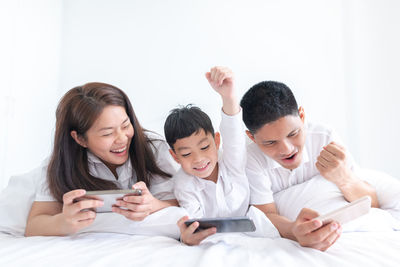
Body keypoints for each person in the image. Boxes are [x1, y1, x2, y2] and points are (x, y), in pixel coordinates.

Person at [240, 80, 379, 251]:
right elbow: (266, 215)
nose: (287, 149)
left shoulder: (324, 137)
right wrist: (293, 230)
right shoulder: (251, 158)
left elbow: (373, 202)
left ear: (302, 116)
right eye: (270, 142)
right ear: (252, 138)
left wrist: (343, 177)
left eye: (293, 133)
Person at [25, 82, 178, 236]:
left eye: (125, 126)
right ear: (79, 138)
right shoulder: (62, 164)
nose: (122, 139)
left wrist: (152, 205)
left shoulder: (154, 148)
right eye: (107, 133)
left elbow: (181, 205)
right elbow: (33, 226)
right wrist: (64, 222)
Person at [164, 66, 249, 245]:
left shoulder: (230, 161)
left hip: (251, 231)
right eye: (186, 153)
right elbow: (195, 223)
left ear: (216, 141)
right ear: (175, 156)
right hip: (214, 240)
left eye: (204, 147)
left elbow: (233, 133)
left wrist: (229, 97)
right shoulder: (184, 184)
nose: (198, 159)